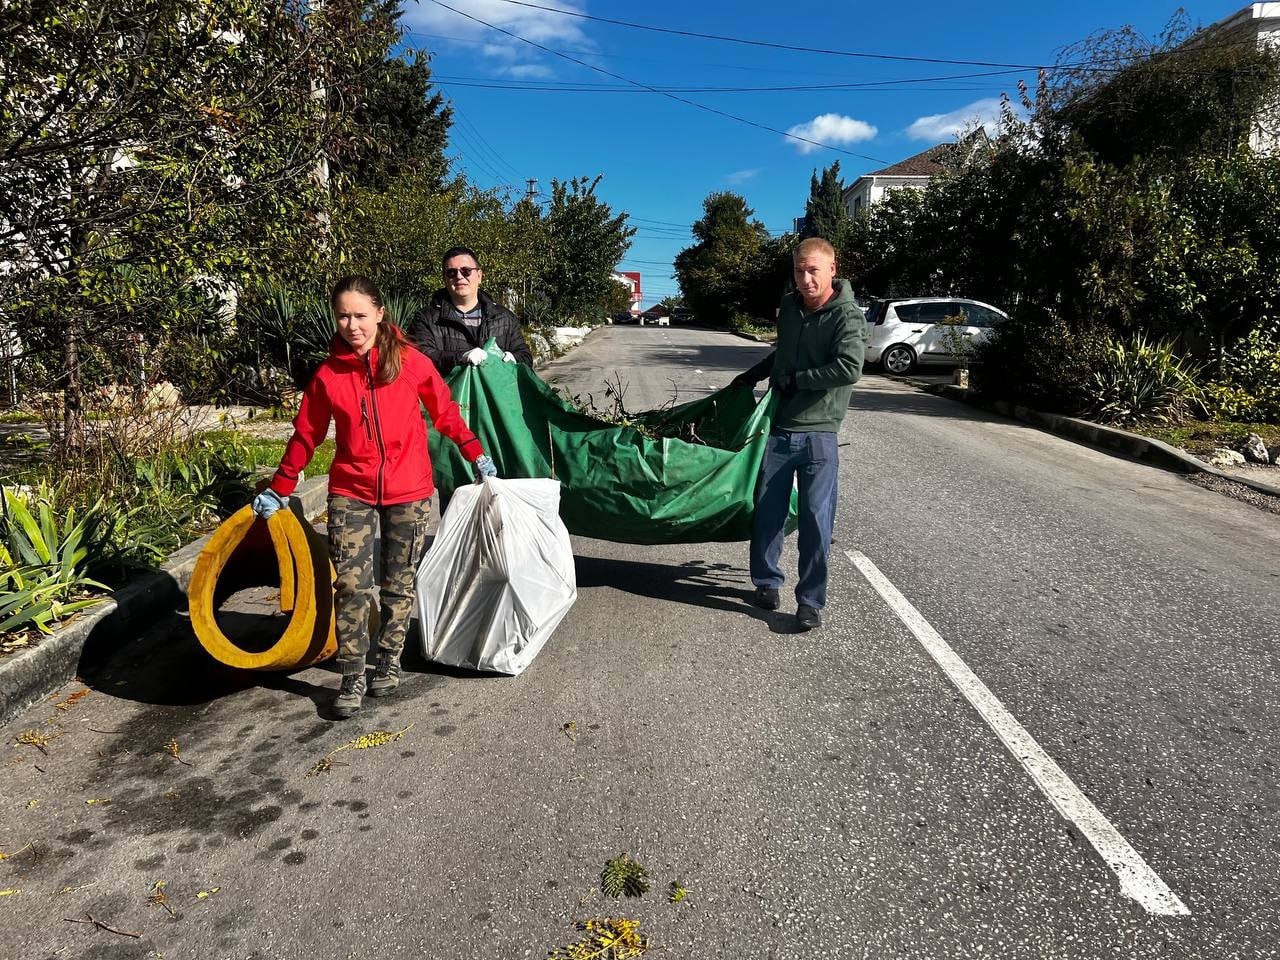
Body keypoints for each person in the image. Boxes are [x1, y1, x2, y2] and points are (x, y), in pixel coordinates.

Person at [253, 275, 497, 719]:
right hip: (352, 489)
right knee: (349, 584)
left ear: (380, 314)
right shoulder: (329, 374)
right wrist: (280, 486)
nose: (352, 325)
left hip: (410, 489)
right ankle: (351, 674)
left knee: (398, 582)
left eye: (360, 315)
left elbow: (444, 411)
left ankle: (388, 658)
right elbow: (307, 435)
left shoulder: (410, 362)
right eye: (343, 315)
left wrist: (474, 451)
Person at [730, 237, 866, 631]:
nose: (805, 280)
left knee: (815, 520)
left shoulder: (847, 317)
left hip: (820, 435)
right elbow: (783, 353)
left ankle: (809, 601)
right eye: (798, 271)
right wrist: (753, 375)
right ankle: (767, 582)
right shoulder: (790, 308)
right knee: (767, 512)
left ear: (832, 270)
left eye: (813, 271)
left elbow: (849, 368)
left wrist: (798, 381)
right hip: (779, 430)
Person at [407, 246, 533, 374]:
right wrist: (460, 357)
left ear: (479, 276)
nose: (459, 276)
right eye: (451, 272)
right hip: (451, 393)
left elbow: (525, 356)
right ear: (445, 279)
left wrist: (514, 358)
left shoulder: (504, 318)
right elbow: (420, 357)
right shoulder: (426, 319)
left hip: (497, 393)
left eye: (466, 271)